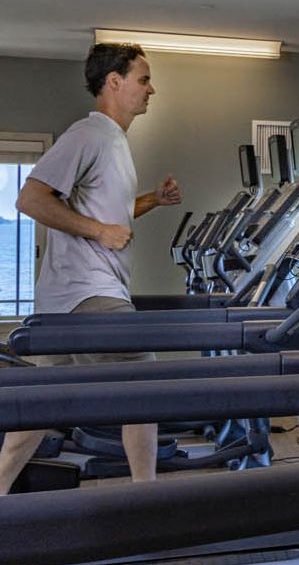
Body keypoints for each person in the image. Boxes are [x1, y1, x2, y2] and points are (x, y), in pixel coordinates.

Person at [0, 43, 183, 494]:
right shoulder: (90, 135)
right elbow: (31, 198)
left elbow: (108, 214)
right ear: (114, 82)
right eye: (143, 79)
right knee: (143, 381)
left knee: (38, 412)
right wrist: (100, 232)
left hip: (67, 299)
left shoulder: (114, 142)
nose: (151, 89)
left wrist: (151, 202)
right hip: (88, 294)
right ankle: (148, 498)